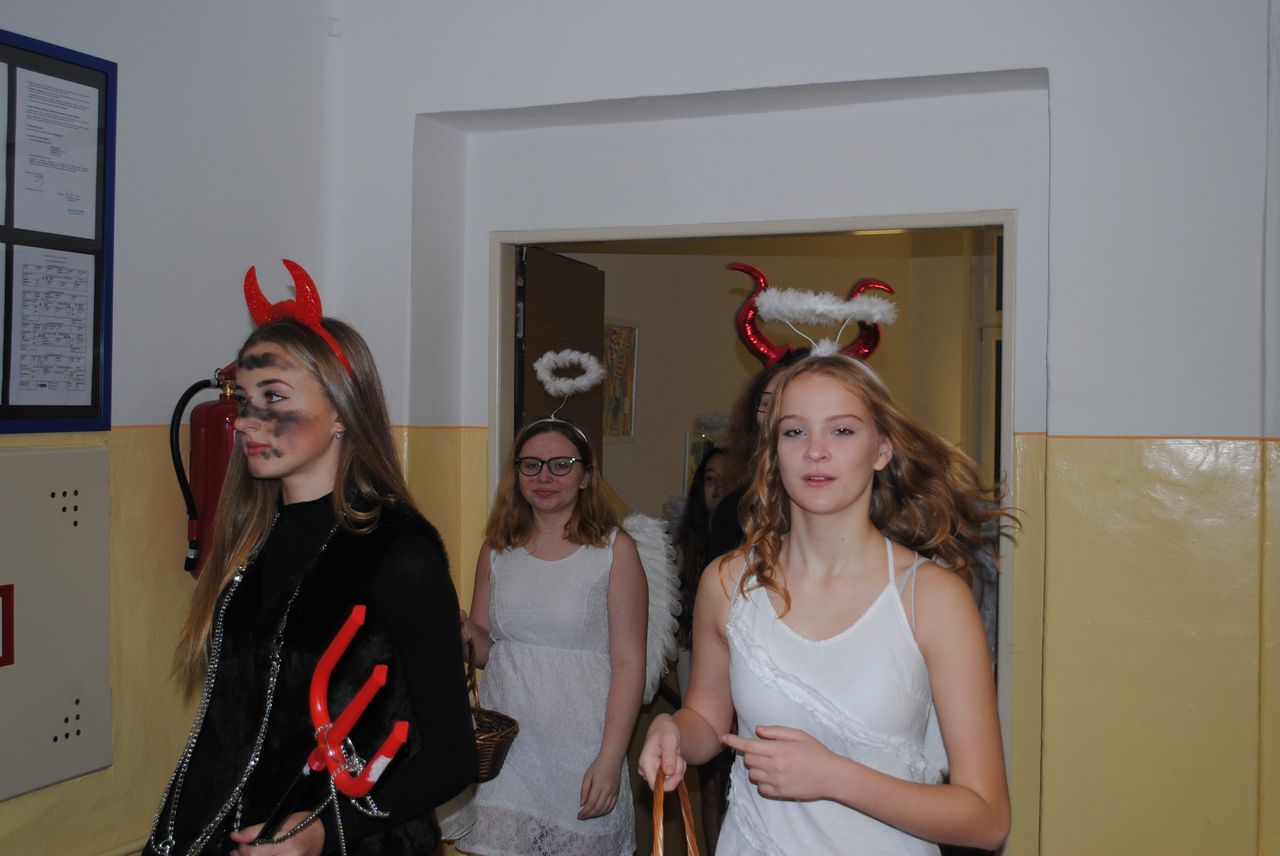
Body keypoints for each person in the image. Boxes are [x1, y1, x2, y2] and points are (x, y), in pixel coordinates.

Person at [147, 283, 476, 855]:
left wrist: (325, 831)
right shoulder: (249, 540)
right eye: (243, 398)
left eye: (274, 397)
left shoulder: (399, 553)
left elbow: (452, 754)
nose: (245, 422)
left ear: (342, 411)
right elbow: (226, 732)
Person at [639, 354, 1012, 854]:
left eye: (842, 431)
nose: (815, 451)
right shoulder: (728, 583)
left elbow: (987, 818)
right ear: (774, 452)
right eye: (794, 432)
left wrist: (833, 776)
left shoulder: (932, 598)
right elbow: (706, 719)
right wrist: (675, 732)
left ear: (882, 449)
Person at [453, 418, 648, 856]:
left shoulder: (614, 551)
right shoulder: (496, 549)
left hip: (581, 749)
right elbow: (486, 650)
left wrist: (610, 759)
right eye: (531, 465)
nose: (544, 476)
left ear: (586, 476)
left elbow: (629, 664)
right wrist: (461, 631)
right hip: (510, 752)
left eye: (561, 465)